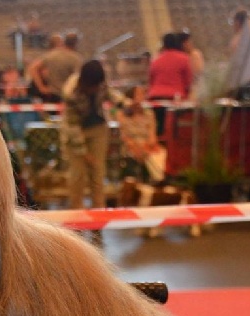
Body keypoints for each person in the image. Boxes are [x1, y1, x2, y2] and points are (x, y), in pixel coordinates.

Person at [60, 59, 123, 223]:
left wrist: (125, 103)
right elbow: (73, 126)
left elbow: (111, 94)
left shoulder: (100, 82)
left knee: (98, 174)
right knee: (77, 176)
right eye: (93, 86)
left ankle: (99, 216)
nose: (97, 89)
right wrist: (84, 153)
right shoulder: (71, 93)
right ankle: (77, 217)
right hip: (76, 133)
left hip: (98, 129)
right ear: (85, 82)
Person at [117, 85, 167, 183]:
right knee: (134, 154)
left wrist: (147, 146)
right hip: (131, 147)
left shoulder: (149, 113)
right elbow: (125, 136)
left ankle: (159, 180)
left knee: (160, 155)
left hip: (147, 146)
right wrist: (136, 147)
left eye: (143, 94)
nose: (142, 96)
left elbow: (152, 135)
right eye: (138, 94)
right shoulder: (122, 114)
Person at [147, 32, 192, 137]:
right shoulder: (184, 58)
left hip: (155, 99)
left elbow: (151, 80)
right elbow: (188, 82)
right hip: (174, 99)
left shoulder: (156, 60)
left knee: (158, 128)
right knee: (173, 130)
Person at [27, 30, 83, 102]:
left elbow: (33, 68)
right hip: (68, 96)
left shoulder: (51, 55)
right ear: (76, 43)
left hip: (51, 94)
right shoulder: (76, 59)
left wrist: (42, 87)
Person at [177, 31, 204, 97]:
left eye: (189, 41)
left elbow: (199, 70)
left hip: (198, 88)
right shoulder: (180, 57)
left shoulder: (195, 54)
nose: (190, 44)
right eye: (186, 42)